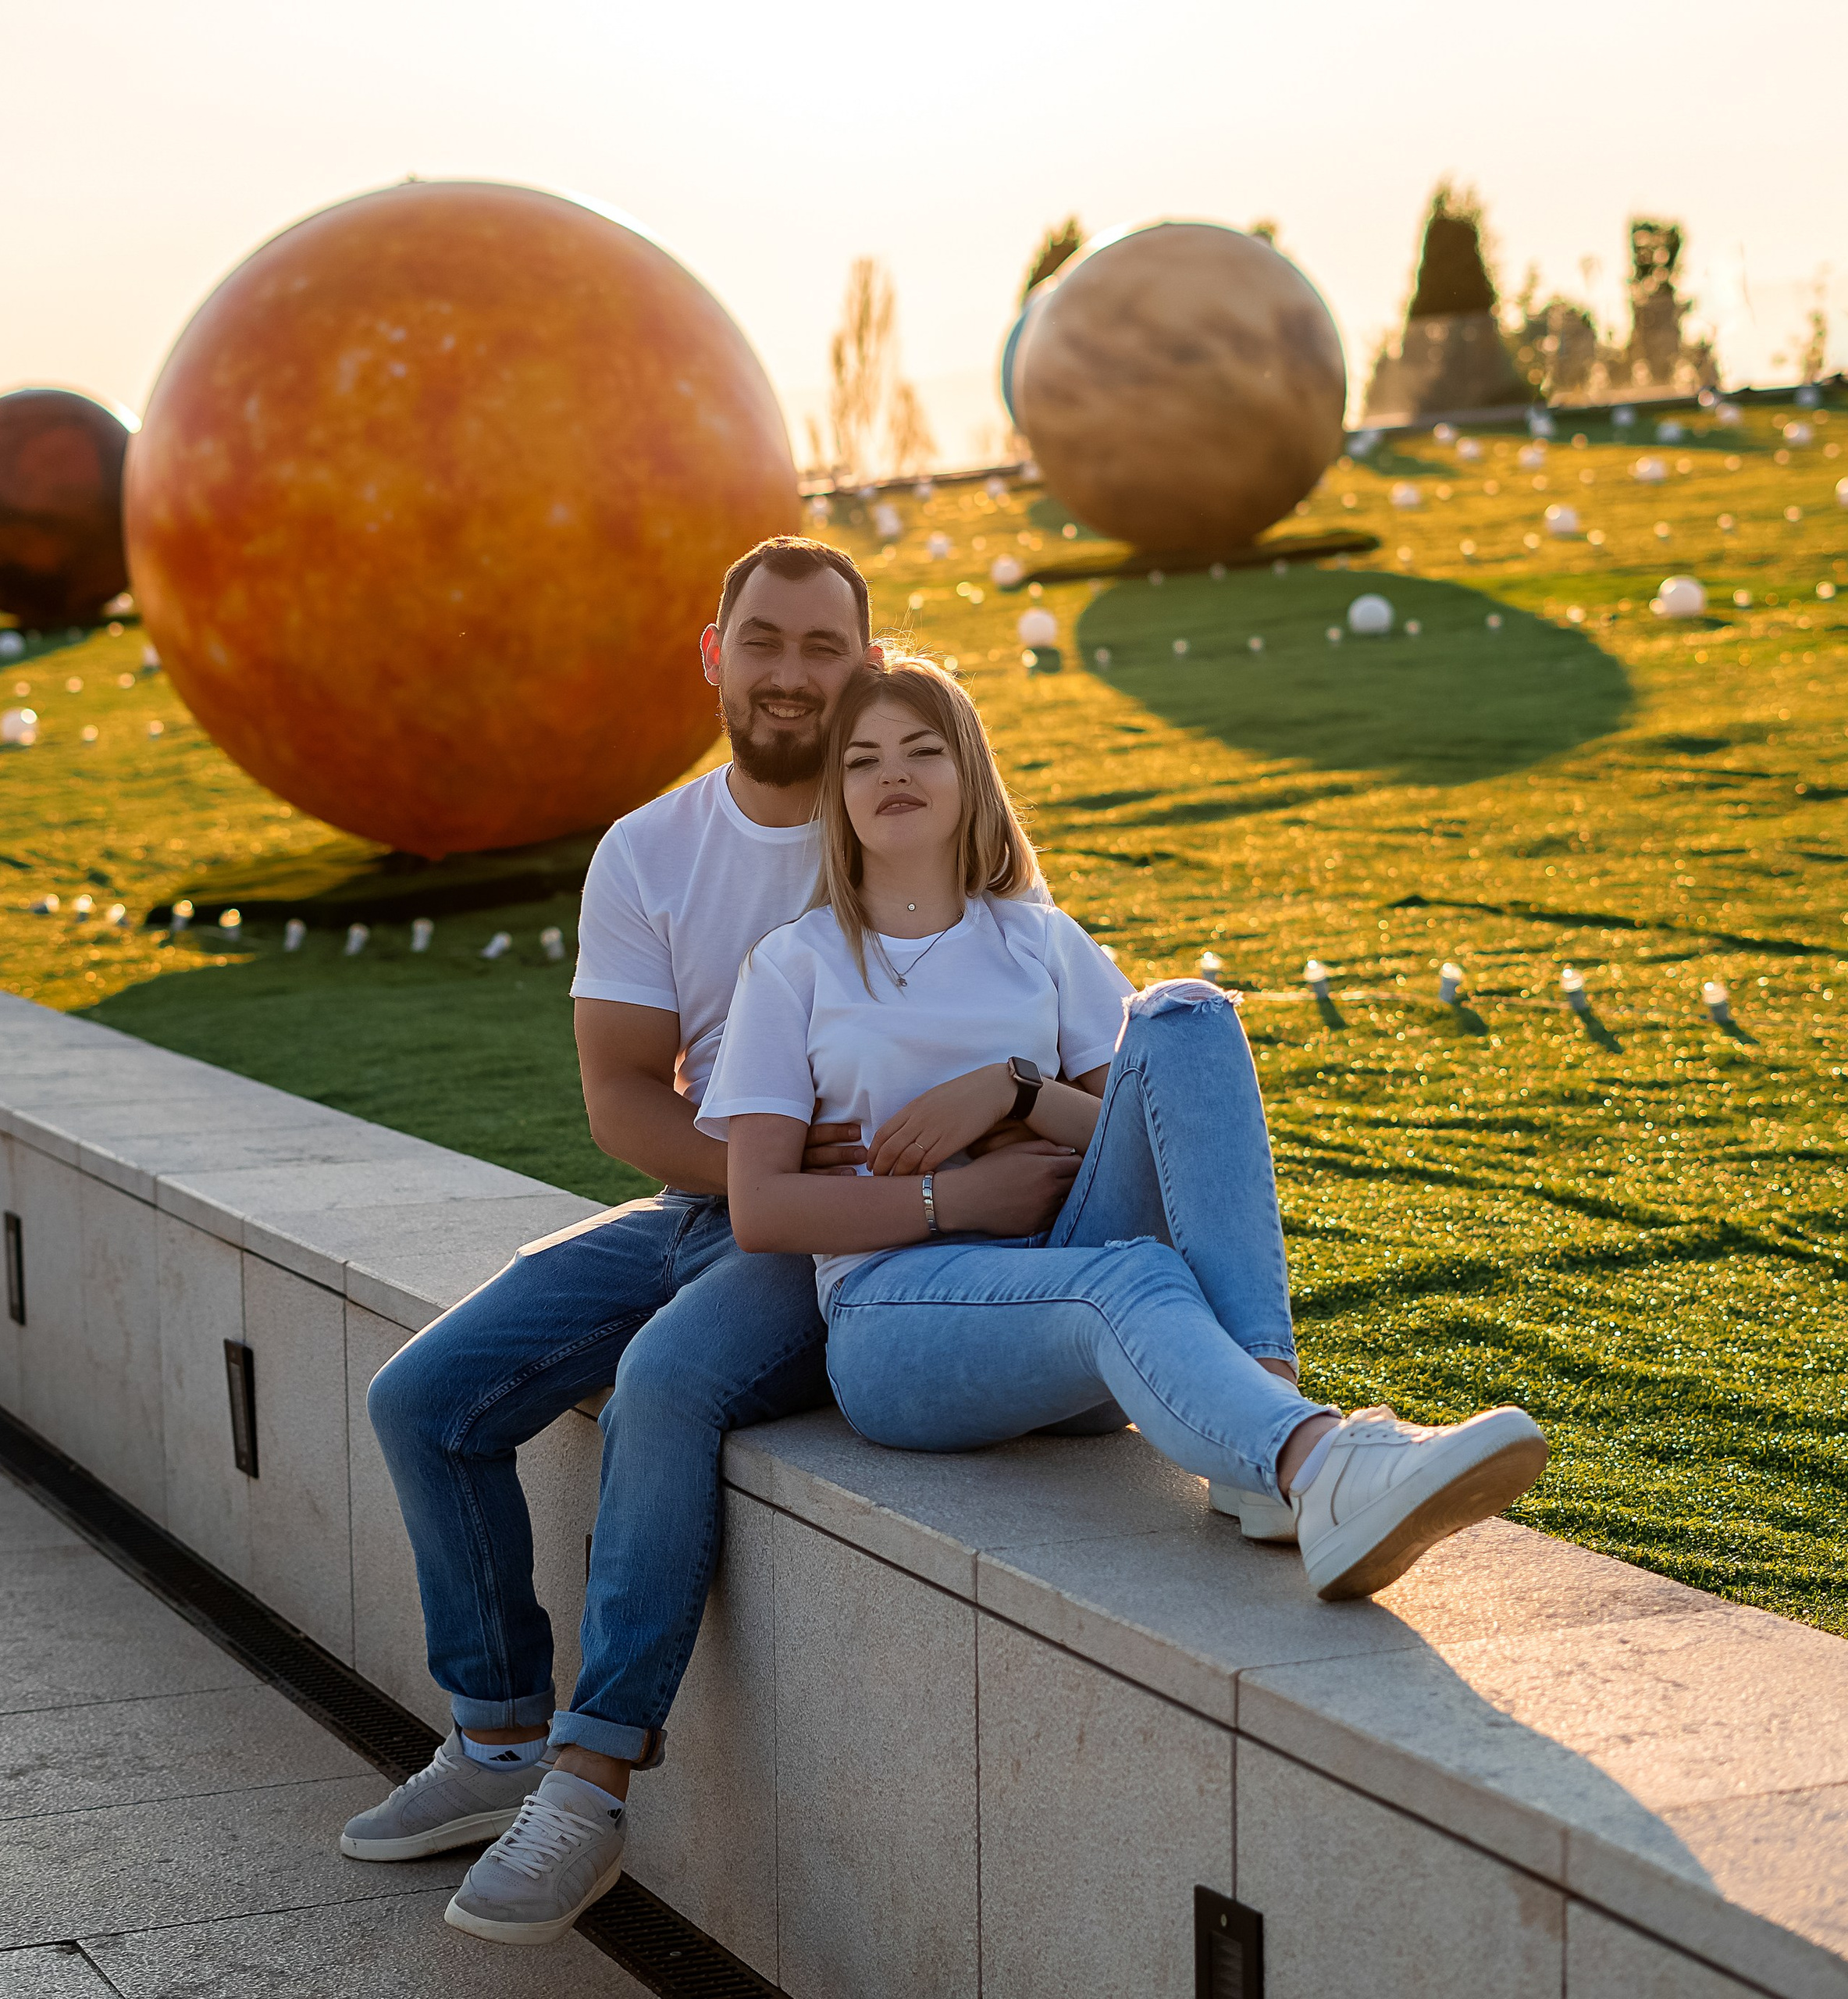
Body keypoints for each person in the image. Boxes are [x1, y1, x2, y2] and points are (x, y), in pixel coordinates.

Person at [339, 541, 1087, 1949]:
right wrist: (756, 1174)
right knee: (422, 1398)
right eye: (766, 641)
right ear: (715, 655)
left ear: (867, 667)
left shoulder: (905, 826)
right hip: (714, 1207)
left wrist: (859, 1185)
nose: (793, 672)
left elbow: (1041, 1018)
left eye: (825, 647)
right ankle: (496, 1734)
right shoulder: (653, 851)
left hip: (850, 1250)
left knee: (671, 1383)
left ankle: (591, 1774)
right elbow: (621, 1090)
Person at [698, 656, 1549, 1607]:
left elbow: (1147, 1135)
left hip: (1068, 1269)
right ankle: (1315, 1457)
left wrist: (1015, 1092)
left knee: (1185, 1011)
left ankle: (1255, 1441)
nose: (892, 773)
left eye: (921, 749)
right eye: (862, 760)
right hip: (897, 1323)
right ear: (839, 796)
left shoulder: (1037, 939)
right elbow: (761, 1206)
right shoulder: (791, 966)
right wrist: (950, 1200)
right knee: (1134, 1277)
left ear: (969, 774)